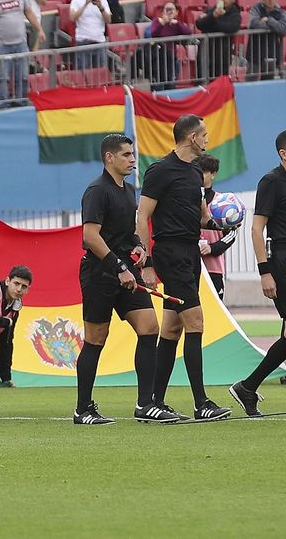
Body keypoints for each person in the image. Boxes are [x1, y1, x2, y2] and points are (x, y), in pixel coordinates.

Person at [136, 115, 231, 422]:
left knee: (173, 328)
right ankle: (201, 403)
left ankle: (154, 402)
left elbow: (202, 216)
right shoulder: (160, 171)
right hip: (170, 253)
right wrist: (147, 263)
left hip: (190, 253)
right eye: (204, 135)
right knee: (196, 322)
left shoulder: (194, 173)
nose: (208, 140)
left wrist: (221, 222)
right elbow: (142, 217)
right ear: (191, 137)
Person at [73, 134, 168, 424]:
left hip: (126, 271)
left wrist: (138, 246)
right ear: (109, 157)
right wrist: (118, 266)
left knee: (150, 328)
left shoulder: (127, 190)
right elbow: (90, 237)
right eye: (126, 155)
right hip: (100, 275)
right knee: (95, 339)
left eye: (132, 154)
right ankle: (83, 409)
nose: (132, 160)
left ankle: (145, 405)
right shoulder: (97, 191)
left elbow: (128, 232)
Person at [230, 129, 286, 417]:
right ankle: (247, 387)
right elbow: (256, 228)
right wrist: (264, 271)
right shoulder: (272, 182)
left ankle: (248, 387)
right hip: (282, 263)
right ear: (283, 154)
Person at [198, 154, 238, 301]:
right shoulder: (187, 198)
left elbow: (232, 234)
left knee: (214, 314)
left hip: (213, 268)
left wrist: (212, 248)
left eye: (203, 171)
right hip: (189, 266)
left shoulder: (222, 202)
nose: (199, 175)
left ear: (213, 174)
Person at [194, 0, 241, 82]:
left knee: (219, 84)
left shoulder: (235, 15)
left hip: (221, 57)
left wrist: (211, 22)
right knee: (202, 83)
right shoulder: (211, 11)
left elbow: (230, 28)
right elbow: (199, 24)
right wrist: (214, 16)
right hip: (205, 53)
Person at [144, 2, 192, 90]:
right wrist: (163, 23)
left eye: (172, 9)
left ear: (176, 12)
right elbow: (153, 34)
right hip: (157, 59)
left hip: (172, 58)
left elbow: (188, 32)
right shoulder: (157, 22)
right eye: (167, 9)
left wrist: (177, 23)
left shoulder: (176, 24)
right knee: (158, 86)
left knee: (171, 85)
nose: (169, 12)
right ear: (162, 12)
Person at [67, 0, 112, 70]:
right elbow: (72, 18)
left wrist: (101, 7)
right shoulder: (76, 1)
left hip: (99, 42)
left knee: (100, 75)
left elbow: (108, 20)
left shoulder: (103, 1)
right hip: (83, 41)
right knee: (82, 75)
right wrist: (85, 3)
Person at [246, 0, 286, 81]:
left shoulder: (281, 12)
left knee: (268, 81)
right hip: (254, 52)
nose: (270, 0)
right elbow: (253, 24)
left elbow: (283, 29)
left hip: (271, 52)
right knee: (251, 80)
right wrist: (274, 27)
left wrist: (268, 20)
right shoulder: (256, 8)